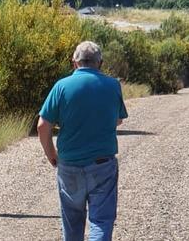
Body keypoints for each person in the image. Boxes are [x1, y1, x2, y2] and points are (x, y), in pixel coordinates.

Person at [37, 41, 128, 241]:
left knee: (72, 222)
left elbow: (43, 125)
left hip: (69, 164)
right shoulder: (113, 85)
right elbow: (119, 119)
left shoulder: (61, 86)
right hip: (103, 164)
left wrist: (52, 155)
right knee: (101, 222)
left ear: (74, 63)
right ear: (100, 63)